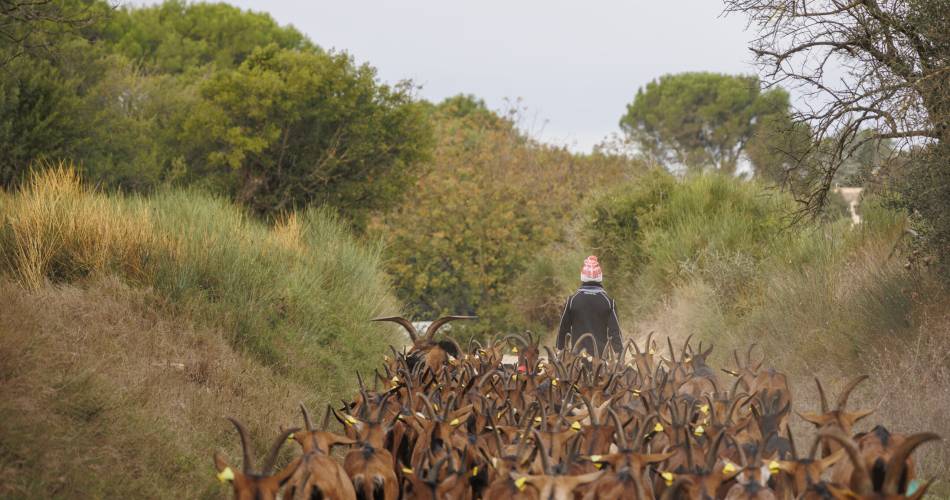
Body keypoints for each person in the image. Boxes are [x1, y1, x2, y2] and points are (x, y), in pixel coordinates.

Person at [556, 255, 622, 357]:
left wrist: (560, 349)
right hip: (600, 361)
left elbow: (563, 328)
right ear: (600, 277)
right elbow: (615, 332)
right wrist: (619, 352)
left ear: (582, 276)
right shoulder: (608, 302)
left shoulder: (572, 300)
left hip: (577, 361)